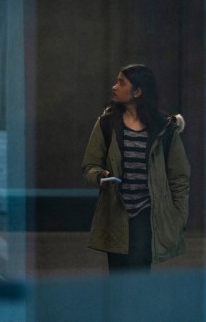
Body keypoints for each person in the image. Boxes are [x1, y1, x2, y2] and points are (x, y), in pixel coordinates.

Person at [81, 64, 190, 271]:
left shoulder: (164, 128)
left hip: (147, 215)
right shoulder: (107, 124)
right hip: (116, 214)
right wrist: (100, 176)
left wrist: (179, 216)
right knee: (118, 278)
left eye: (121, 83)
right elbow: (89, 165)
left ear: (138, 91)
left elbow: (180, 177)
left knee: (140, 277)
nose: (114, 87)